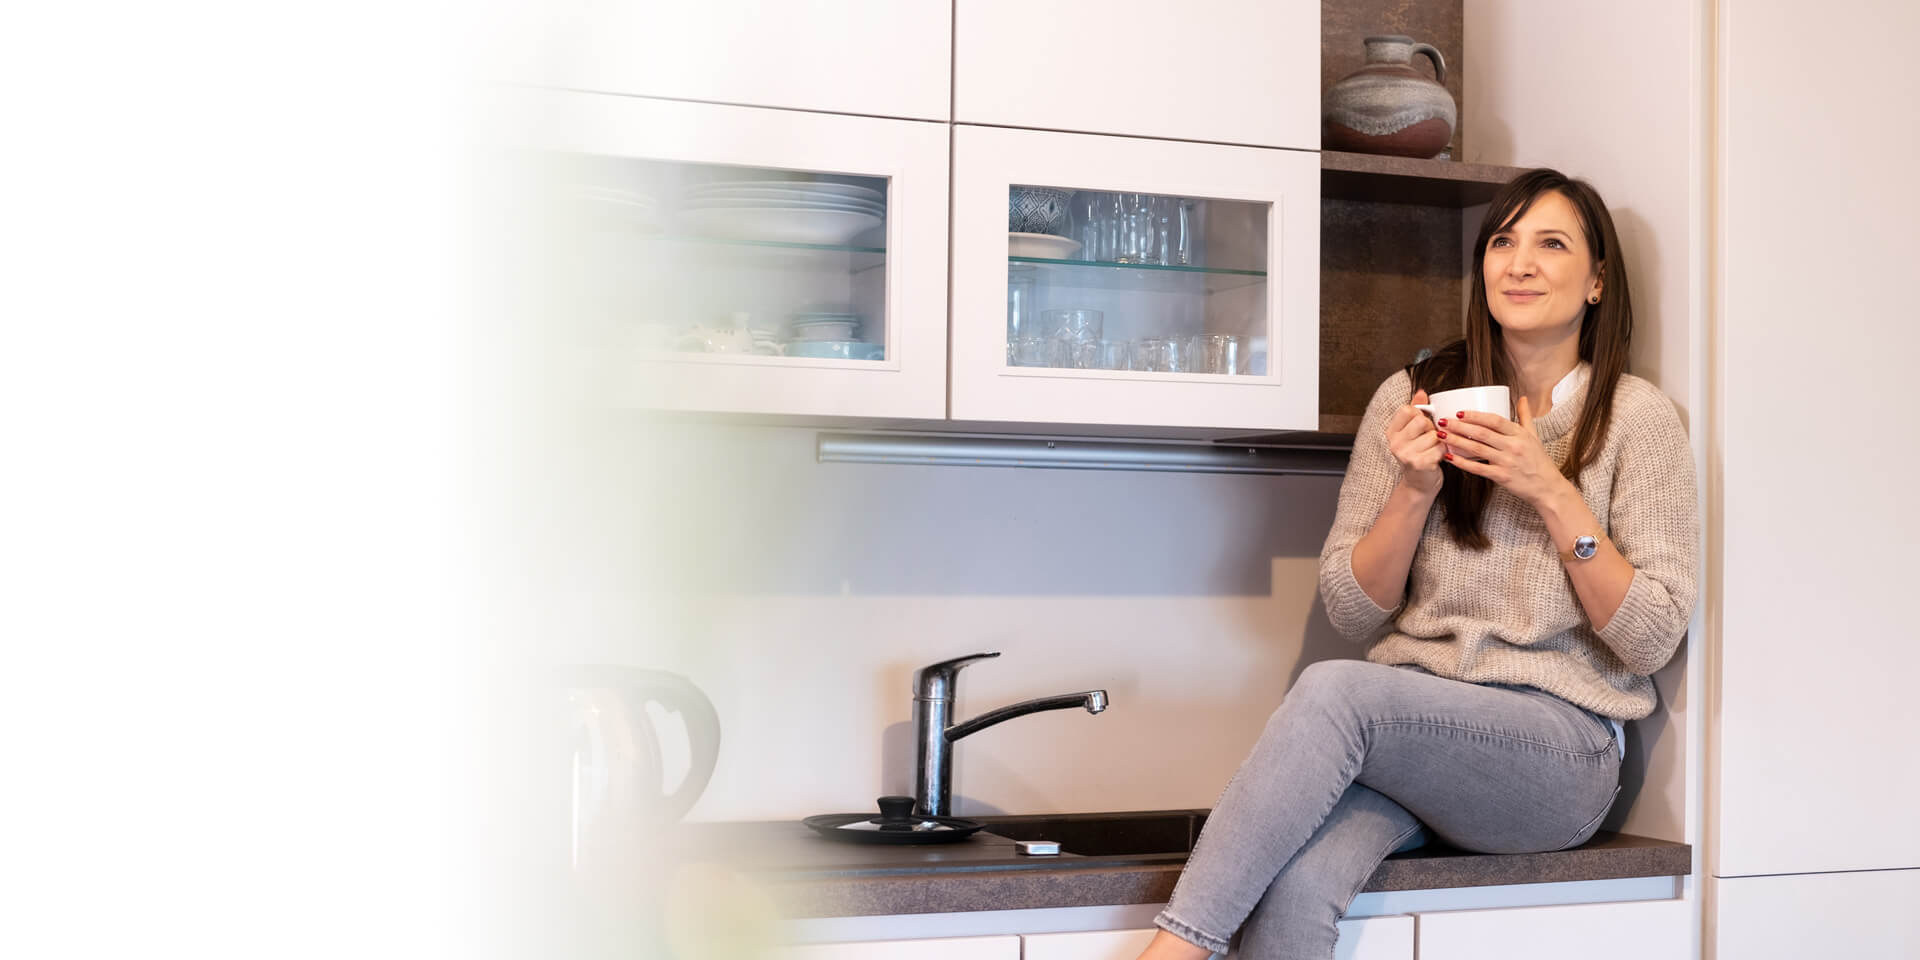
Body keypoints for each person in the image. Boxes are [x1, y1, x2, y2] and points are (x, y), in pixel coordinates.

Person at [1133, 169, 1699, 959]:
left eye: (1551, 243)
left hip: (1560, 753)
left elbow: (1652, 638)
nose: (1520, 263)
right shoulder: (1416, 395)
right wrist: (1412, 488)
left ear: (1598, 279)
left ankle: (1172, 952)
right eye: (1502, 242)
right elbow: (1351, 608)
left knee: (1336, 690)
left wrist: (1550, 490)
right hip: (1414, 737)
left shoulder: (1637, 419)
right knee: (1292, 889)